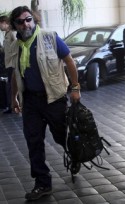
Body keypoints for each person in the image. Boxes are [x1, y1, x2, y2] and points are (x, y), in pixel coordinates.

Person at [9, 6, 81, 201]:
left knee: (61, 136)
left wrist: (75, 88)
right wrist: (14, 97)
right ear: (15, 25)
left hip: (54, 100)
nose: (26, 24)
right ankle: (43, 183)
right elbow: (15, 74)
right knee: (34, 142)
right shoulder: (15, 46)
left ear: (34, 19)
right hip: (31, 101)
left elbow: (69, 61)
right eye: (21, 21)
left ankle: (75, 155)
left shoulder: (50, 37)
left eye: (28, 19)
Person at [0, 15, 16, 114]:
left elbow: (16, 47)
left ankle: (13, 106)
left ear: (5, 22)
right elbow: (6, 50)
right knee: (10, 84)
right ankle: (11, 105)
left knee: (12, 84)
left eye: (0, 24)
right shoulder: (6, 34)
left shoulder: (12, 33)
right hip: (8, 63)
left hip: (12, 63)